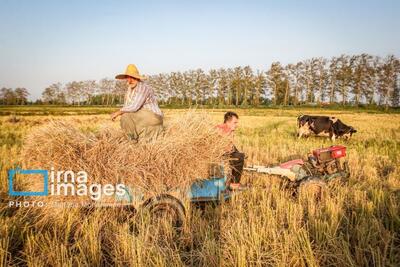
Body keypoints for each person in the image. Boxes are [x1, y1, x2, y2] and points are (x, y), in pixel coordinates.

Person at [111, 64, 164, 142]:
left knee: (125, 116)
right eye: (128, 78)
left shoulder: (142, 87)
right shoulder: (130, 90)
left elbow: (134, 106)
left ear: (137, 78)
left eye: (133, 77)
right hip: (143, 116)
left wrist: (119, 112)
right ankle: (134, 139)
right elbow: (127, 105)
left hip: (153, 116)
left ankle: (132, 141)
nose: (130, 80)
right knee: (126, 118)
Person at [216, 111, 245, 190]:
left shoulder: (227, 129)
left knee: (239, 154)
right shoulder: (222, 129)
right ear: (228, 122)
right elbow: (223, 148)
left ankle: (231, 181)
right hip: (218, 154)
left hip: (222, 152)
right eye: (235, 123)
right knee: (239, 157)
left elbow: (231, 146)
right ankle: (233, 183)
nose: (236, 125)